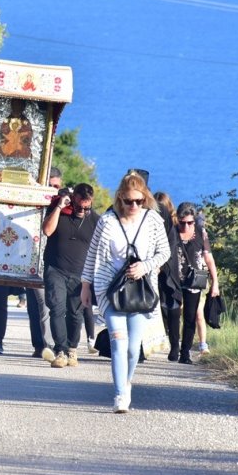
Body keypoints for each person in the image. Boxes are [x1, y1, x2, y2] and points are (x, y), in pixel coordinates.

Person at [81, 172, 169, 413]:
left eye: (138, 201)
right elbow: (92, 254)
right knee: (118, 344)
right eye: (129, 201)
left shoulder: (153, 220)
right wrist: (86, 285)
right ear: (120, 198)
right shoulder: (107, 221)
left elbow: (164, 252)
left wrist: (145, 266)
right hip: (111, 289)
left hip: (141, 290)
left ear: (145, 199)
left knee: (133, 348)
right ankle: (120, 394)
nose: (133, 206)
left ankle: (127, 382)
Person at [43, 183, 99, 368]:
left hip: (81, 274)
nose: (82, 210)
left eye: (86, 207)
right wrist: (59, 206)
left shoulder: (95, 220)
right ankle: (60, 350)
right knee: (57, 309)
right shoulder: (59, 211)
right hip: (55, 269)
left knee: (76, 314)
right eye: (79, 206)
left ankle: (72, 349)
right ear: (73, 199)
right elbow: (47, 231)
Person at [175, 202, 221, 364]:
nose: (186, 226)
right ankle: (174, 346)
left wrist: (215, 282)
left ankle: (184, 353)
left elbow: (208, 258)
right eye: (182, 223)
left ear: (194, 221)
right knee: (172, 313)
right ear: (177, 220)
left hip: (194, 281)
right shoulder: (171, 233)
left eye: (190, 223)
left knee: (190, 317)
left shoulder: (201, 234)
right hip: (173, 280)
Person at [26, 168, 60, 361]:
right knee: (34, 306)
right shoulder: (38, 204)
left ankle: (48, 344)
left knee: (44, 303)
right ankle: (39, 344)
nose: (54, 191)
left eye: (57, 186)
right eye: (51, 186)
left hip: (50, 262)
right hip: (31, 259)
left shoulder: (61, 208)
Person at [154, 191, 183, 361]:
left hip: (169, 271)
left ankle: (175, 345)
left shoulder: (174, 226)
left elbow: (171, 249)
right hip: (155, 269)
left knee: (171, 309)